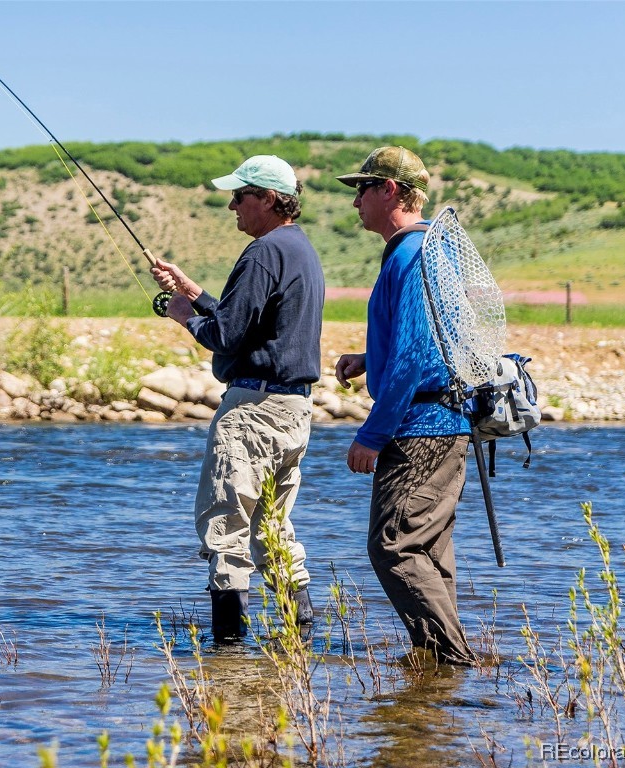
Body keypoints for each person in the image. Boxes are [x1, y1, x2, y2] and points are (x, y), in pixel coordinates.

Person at [149, 155, 325, 643]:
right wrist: (195, 292)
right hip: (293, 411)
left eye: (240, 196)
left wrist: (185, 315)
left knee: (225, 529)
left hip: (253, 412)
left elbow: (225, 336)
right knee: (274, 531)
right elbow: (253, 323)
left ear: (268, 199)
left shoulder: (263, 252)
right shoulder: (300, 249)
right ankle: (300, 640)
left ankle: (227, 653)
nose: (232, 206)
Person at [333, 146, 476, 665]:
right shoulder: (425, 249)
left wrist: (372, 435)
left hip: (421, 427)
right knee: (428, 550)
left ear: (389, 190)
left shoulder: (411, 253)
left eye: (362, 189)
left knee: (393, 547)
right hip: (444, 422)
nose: (356, 202)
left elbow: (416, 354)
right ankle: (438, 678)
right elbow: (424, 339)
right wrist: (371, 356)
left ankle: (454, 661)